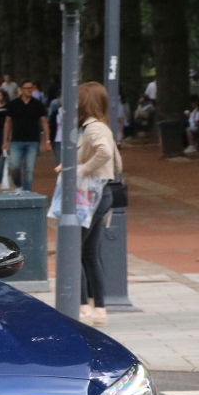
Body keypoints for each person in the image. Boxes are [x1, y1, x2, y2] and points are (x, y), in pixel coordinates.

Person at [74, 81, 122, 326]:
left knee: (75, 250)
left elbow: (104, 153)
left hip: (92, 194)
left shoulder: (93, 129)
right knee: (90, 253)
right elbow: (117, 161)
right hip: (101, 192)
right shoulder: (101, 127)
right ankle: (99, 308)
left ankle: (83, 306)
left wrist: (82, 169)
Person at [2, 80, 50, 191]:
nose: (29, 90)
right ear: (21, 89)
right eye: (26, 88)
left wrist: (47, 141)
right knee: (14, 166)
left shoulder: (38, 104)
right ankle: (18, 185)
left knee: (29, 168)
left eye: (31, 88)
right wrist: (5, 140)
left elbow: (44, 122)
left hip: (33, 141)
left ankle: (27, 191)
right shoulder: (13, 104)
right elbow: (8, 122)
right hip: (16, 140)